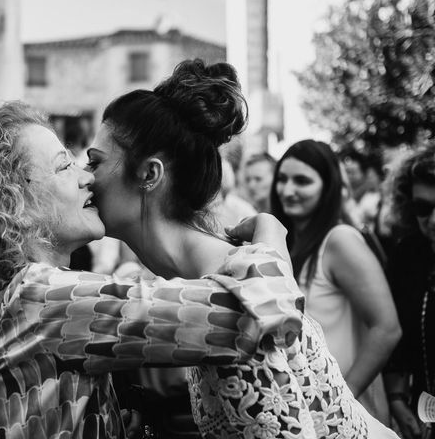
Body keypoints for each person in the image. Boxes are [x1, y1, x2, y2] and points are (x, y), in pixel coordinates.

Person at [0, 101, 306, 439]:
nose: (87, 177)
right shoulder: (47, 296)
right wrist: (270, 233)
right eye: (64, 166)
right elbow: (254, 316)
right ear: (13, 200)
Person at [87, 59, 400, 438]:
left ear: (150, 175)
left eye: (94, 162)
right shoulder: (231, 277)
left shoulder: (243, 296)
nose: (83, 178)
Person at [269, 138, 401, 424]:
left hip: (347, 417)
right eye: (282, 179)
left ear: (327, 187)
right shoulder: (286, 244)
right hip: (304, 414)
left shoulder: (340, 240)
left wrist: (341, 402)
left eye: (302, 181)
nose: (288, 190)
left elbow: (387, 328)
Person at [383, 143, 435, 439]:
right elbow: (398, 339)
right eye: (423, 208)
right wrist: (397, 399)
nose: (434, 220)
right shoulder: (408, 256)